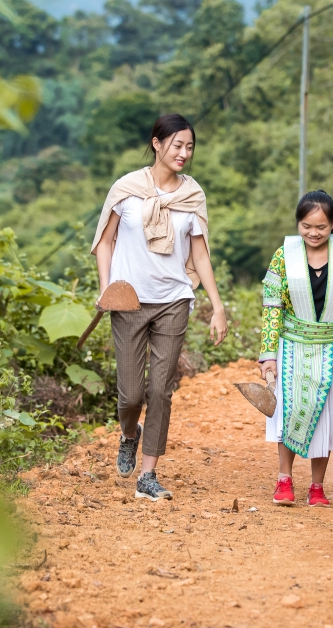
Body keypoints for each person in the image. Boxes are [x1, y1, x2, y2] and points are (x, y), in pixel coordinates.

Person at [91, 113, 228, 502]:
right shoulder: (127, 189)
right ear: (156, 143)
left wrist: (216, 305)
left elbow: (200, 255)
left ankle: (148, 475)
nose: (184, 153)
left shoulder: (192, 195)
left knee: (161, 390)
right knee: (132, 394)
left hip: (174, 301)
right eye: (177, 145)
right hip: (129, 301)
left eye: (189, 146)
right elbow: (105, 241)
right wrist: (107, 289)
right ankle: (128, 434)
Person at [259, 190, 333, 507]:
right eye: (306, 226)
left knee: (326, 417)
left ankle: (317, 486)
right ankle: (284, 479)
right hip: (292, 346)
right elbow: (272, 306)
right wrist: (268, 355)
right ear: (298, 224)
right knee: (289, 411)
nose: (313, 233)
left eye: (321, 226)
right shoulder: (284, 255)